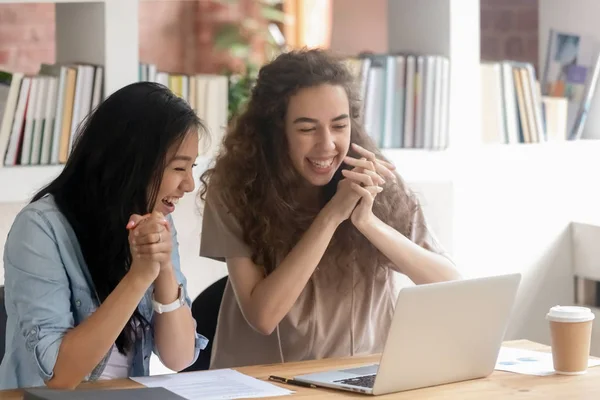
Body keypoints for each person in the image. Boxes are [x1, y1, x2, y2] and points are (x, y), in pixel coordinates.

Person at [198, 49, 462, 369]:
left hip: (364, 376)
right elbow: (263, 316)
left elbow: (451, 284)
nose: (327, 145)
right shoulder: (235, 189)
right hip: (263, 383)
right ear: (274, 131)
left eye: (339, 126)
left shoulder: (374, 178)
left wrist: (369, 222)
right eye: (307, 129)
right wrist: (333, 215)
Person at [0, 82, 208, 390]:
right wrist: (139, 276)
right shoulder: (41, 229)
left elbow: (179, 357)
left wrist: (162, 267)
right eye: (179, 168)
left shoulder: (157, 221)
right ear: (133, 162)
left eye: (192, 167)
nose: (189, 185)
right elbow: (58, 377)